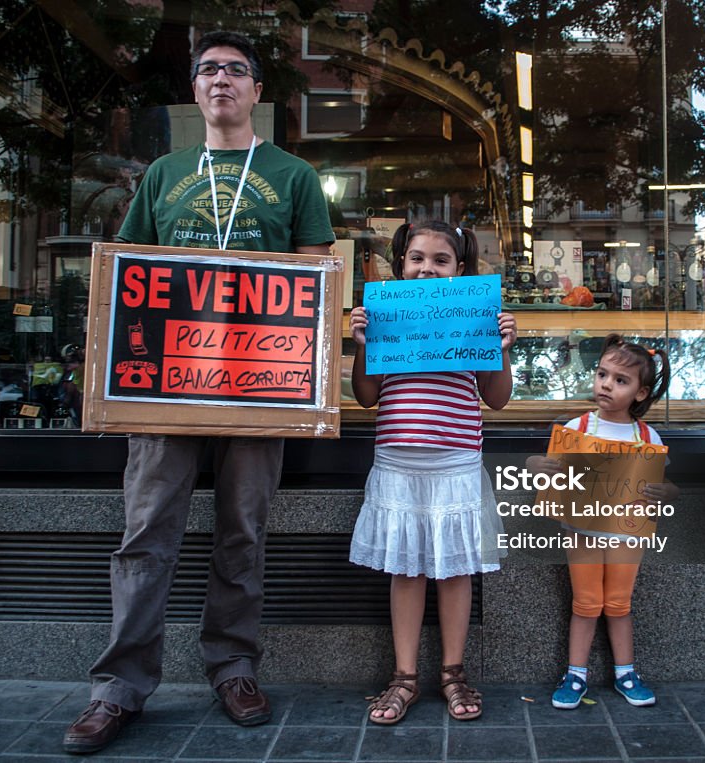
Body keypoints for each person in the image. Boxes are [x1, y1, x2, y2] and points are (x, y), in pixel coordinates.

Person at [62, 30, 334, 755]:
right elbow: (126, 273)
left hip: (260, 385)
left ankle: (234, 666)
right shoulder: (164, 174)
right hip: (166, 385)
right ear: (196, 90)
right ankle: (117, 688)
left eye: (235, 71)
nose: (221, 80)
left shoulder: (294, 176)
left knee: (242, 530)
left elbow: (317, 280)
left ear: (255, 92)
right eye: (209, 69)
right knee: (147, 531)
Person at [347, 220, 517, 724]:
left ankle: (453, 672)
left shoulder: (473, 319)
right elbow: (367, 397)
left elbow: (497, 398)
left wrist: (502, 351)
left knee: (456, 572)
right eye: (417, 258)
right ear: (400, 266)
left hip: (456, 462)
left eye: (440, 260)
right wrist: (362, 344)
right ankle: (404, 677)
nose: (427, 268)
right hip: (398, 464)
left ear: (459, 271)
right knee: (406, 570)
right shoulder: (388, 319)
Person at [527, 334, 678, 710]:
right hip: (582, 532)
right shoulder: (578, 428)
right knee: (586, 602)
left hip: (628, 534)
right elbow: (545, 475)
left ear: (641, 394)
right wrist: (535, 466)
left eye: (620, 380)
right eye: (602, 375)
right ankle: (576, 674)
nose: (606, 385)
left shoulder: (646, 436)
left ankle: (625, 671)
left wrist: (666, 493)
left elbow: (664, 484)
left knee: (619, 603)